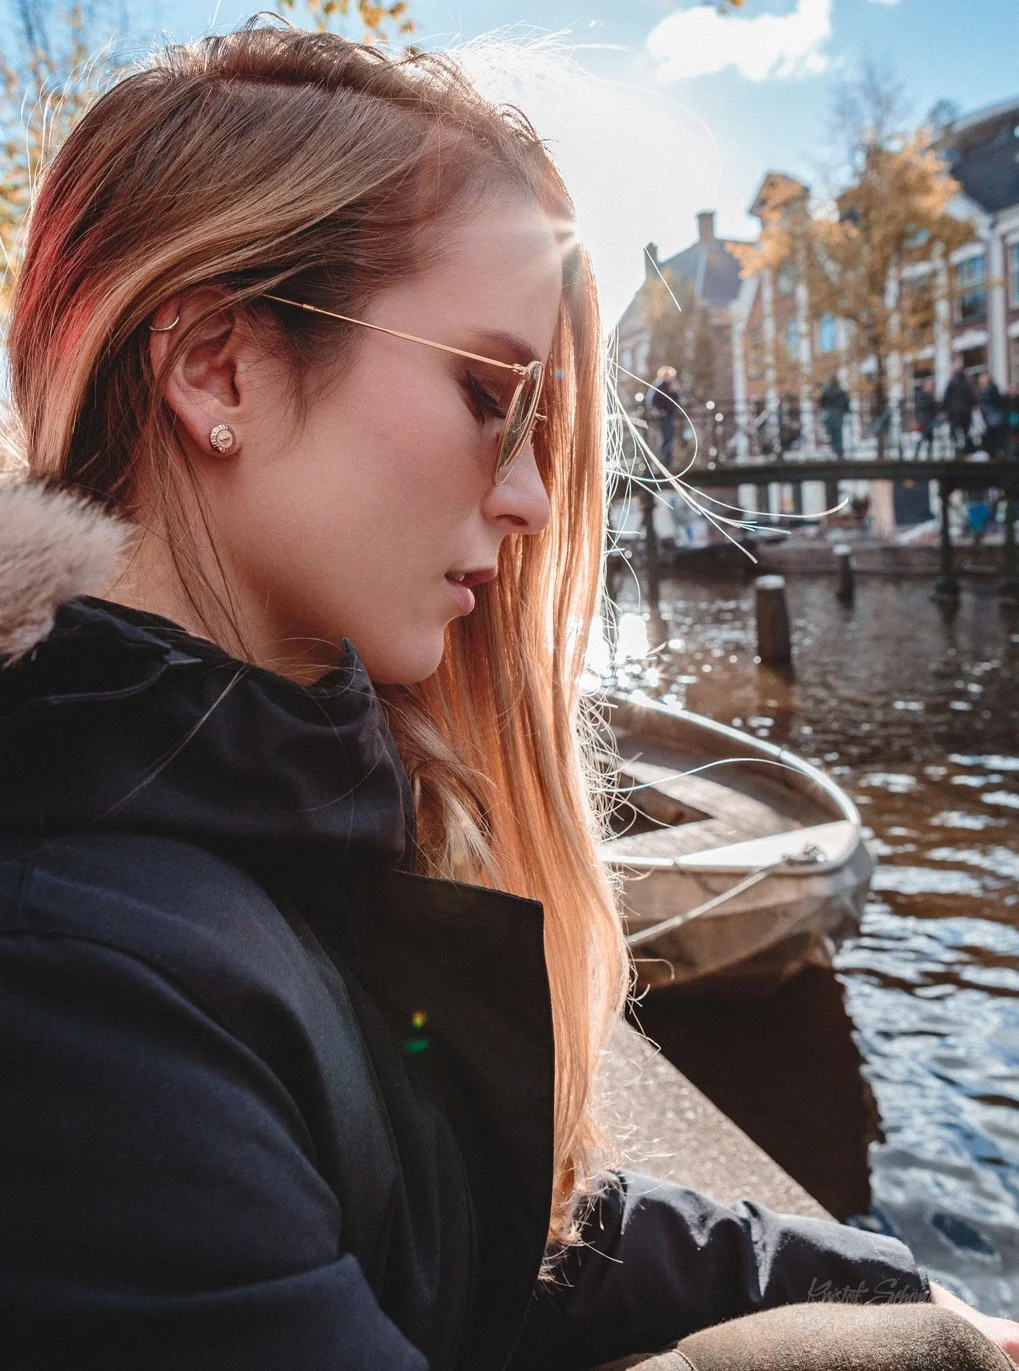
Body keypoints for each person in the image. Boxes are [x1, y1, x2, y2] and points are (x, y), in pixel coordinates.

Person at [1, 22, 1017, 1371]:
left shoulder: (264, 823)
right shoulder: (79, 994)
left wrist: (924, 1303)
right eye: (489, 393)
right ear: (215, 366)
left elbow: (477, 1226)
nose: (534, 496)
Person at [646, 364, 682, 468]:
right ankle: (662, 459)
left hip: (670, 415)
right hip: (663, 416)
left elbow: (677, 399)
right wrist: (660, 410)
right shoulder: (659, 386)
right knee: (666, 437)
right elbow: (653, 400)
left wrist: (675, 390)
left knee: (671, 437)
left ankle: (667, 460)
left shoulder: (671, 386)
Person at [943, 366, 976, 455]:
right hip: (966, 411)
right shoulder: (967, 384)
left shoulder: (952, 382)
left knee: (954, 430)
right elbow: (972, 398)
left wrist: (945, 409)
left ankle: (957, 448)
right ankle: (965, 449)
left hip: (955, 411)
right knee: (965, 430)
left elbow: (946, 397)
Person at [819, 375, 851, 459]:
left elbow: (822, 404)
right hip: (838, 414)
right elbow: (846, 404)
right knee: (838, 434)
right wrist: (846, 411)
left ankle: (834, 451)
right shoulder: (841, 391)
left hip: (829, 414)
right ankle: (839, 453)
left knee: (832, 433)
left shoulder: (826, 391)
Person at [978, 373, 1007, 459]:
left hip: (994, 419)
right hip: (987, 419)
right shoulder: (981, 391)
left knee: (995, 439)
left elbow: (995, 402)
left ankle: (997, 454)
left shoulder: (992, 390)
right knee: (989, 439)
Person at [913, 379, 940, 459]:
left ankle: (928, 455)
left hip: (929, 421)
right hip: (924, 421)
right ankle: (917, 455)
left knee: (929, 439)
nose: (931, 388)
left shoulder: (929, 397)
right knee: (922, 438)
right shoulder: (924, 397)